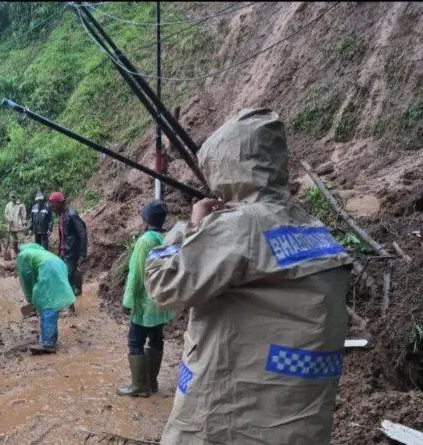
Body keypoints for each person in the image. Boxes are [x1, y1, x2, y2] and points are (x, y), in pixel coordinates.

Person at [144, 109, 353, 445]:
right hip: (296, 417)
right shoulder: (311, 227)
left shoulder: (240, 226)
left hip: (232, 416)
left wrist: (190, 230)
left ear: (226, 166)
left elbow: (164, 285)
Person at [117, 200, 175, 398]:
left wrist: (128, 301)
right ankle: (152, 382)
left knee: (135, 341)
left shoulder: (144, 241)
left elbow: (136, 273)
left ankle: (139, 385)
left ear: (146, 219)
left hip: (145, 301)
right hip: (162, 299)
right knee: (156, 337)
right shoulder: (167, 238)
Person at [16, 243, 76, 355]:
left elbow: (26, 277)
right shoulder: (41, 253)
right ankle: (50, 338)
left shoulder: (23, 255)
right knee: (52, 299)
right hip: (60, 265)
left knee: (47, 302)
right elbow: (34, 274)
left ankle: (48, 343)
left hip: (48, 268)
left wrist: (29, 297)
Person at [47, 192, 87, 312]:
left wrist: (82, 253)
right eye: (51, 206)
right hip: (64, 252)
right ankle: (69, 300)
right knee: (62, 276)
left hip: (72, 253)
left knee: (66, 279)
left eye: (54, 206)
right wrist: (60, 251)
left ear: (61, 203)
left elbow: (82, 234)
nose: (53, 209)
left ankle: (71, 309)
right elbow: (64, 237)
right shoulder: (62, 216)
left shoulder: (71, 215)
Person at [5, 192, 27, 257]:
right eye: (12, 197)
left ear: (17, 197)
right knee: (13, 242)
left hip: (19, 226)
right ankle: (15, 254)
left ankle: (22, 255)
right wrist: (9, 219)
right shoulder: (8, 205)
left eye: (14, 197)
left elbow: (23, 215)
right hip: (11, 226)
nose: (13, 198)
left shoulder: (21, 205)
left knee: (21, 241)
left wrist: (24, 224)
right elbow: (6, 214)